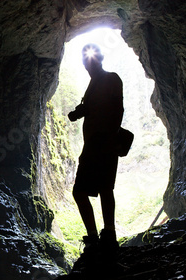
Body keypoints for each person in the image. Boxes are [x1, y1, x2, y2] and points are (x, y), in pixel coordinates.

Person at [68, 44, 124, 262]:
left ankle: (103, 235)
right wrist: (81, 112)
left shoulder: (111, 78)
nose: (88, 63)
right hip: (94, 143)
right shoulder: (94, 84)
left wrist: (109, 136)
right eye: (86, 60)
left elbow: (118, 109)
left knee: (96, 189)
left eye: (91, 59)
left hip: (102, 142)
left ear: (99, 59)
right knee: (97, 189)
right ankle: (100, 236)